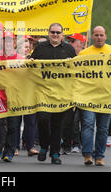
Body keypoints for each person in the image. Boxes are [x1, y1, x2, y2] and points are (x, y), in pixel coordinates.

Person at [29, 23, 76, 164]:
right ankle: (44, 146)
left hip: (61, 93)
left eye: (58, 32)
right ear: (48, 33)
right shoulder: (40, 48)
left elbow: (75, 70)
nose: (55, 35)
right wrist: (30, 62)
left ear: (62, 35)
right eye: (52, 32)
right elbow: (31, 65)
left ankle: (55, 153)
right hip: (43, 92)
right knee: (43, 120)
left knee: (58, 124)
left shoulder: (69, 49)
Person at [78, 25, 111, 166]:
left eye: (101, 35)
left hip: (106, 97)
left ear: (106, 36)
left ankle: (99, 156)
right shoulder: (84, 53)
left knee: (103, 128)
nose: (99, 38)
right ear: (92, 37)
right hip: (88, 96)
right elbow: (76, 74)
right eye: (96, 35)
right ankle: (87, 155)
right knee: (88, 125)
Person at [0, 31, 23, 162]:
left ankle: (9, 152)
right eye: (5, 40)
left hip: (15, 97)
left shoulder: (21, 59)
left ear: (14, 43)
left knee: (13, 125)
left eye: (10, 40)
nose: (8, 43)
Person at [61, 33, 87, 154]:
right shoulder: (66, 55)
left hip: (84, 93)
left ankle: (81, 143)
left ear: (81, 44)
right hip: (68, 92)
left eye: (72, 41)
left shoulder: (86, 57)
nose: (69, 44)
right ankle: (69, 143)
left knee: (85, 120)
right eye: (69, 41)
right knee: (70, 119)